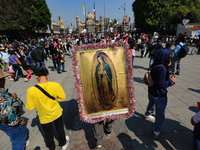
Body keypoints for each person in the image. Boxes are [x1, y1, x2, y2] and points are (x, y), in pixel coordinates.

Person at [26, 67, 69, 150]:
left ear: (36, 76)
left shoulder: (31, 90)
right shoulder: (56, 85)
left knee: (48, 133)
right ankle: (63, 144)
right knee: (60, 129)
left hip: (43, 116)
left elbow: (29, 107)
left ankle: (51, 147)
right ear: (47, 75)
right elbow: (62, 98)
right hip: (56, 112)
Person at [144, 48, 176, 138]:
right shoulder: (162, 69)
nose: (170, 59)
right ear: (163, 57)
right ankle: (156, 130)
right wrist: (171, 81)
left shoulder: (156, 64)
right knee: (160, 113)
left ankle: (147, 114)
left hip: (151, 91)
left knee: (151, 103)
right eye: (169, 57)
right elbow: (161, 84)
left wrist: (168, 67)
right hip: (159, 95)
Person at [0, 68, 29, 150]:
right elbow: (7, 116)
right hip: (10, 124)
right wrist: (19, 121)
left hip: (3, 123)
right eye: (3, 79)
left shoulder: (3, 93)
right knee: (17, 141)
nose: (5, 80)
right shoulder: (2, 96)